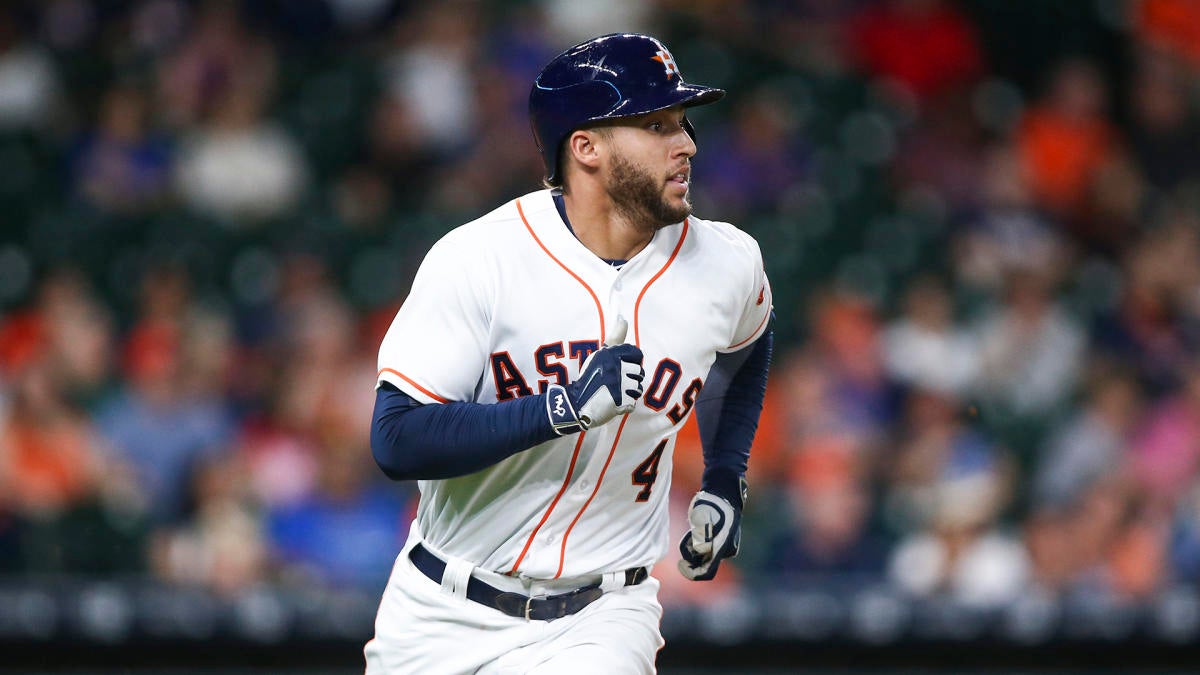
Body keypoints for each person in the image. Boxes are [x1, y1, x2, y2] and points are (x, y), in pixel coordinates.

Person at [364, 33, 774, 674]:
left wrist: (724, 476)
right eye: (656, 124)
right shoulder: (481, 259)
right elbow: (397, 439)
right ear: (585, 147)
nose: (687, 144)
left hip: (603, 615)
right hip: (442, 607)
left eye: (684, 123)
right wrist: (562, 407)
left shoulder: (728, 262)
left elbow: (746, 351)